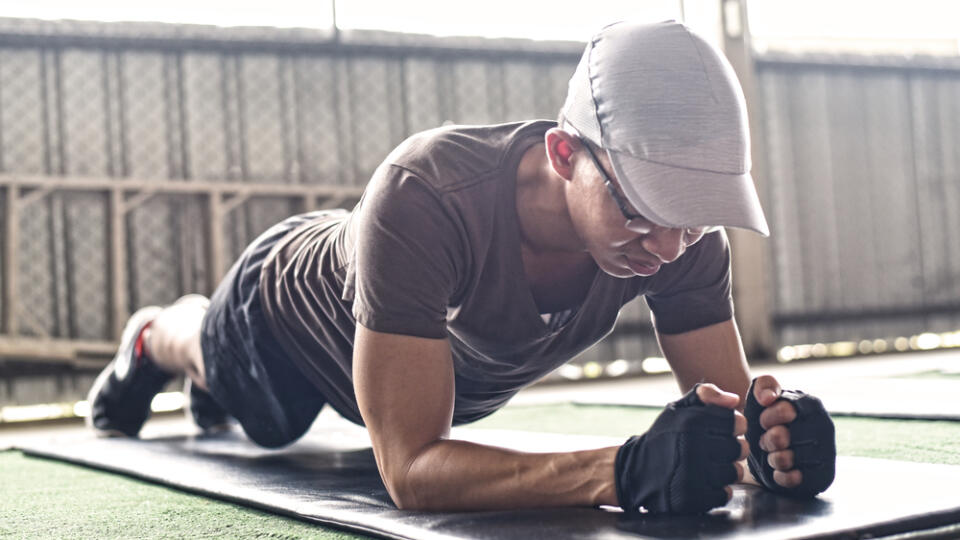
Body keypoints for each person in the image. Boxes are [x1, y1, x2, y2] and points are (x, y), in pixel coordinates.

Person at [87, 20, 836, 514]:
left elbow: (733, 413)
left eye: (693, 215)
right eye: (641, 209)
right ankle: (154, 337)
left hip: (404, 339)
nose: (669, 247)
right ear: (563, 154)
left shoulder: (681, 237)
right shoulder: (425, 195)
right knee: (260, 412)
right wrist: (622, 470)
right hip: (284, 323)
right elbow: (411, 471)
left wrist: (776, 444)